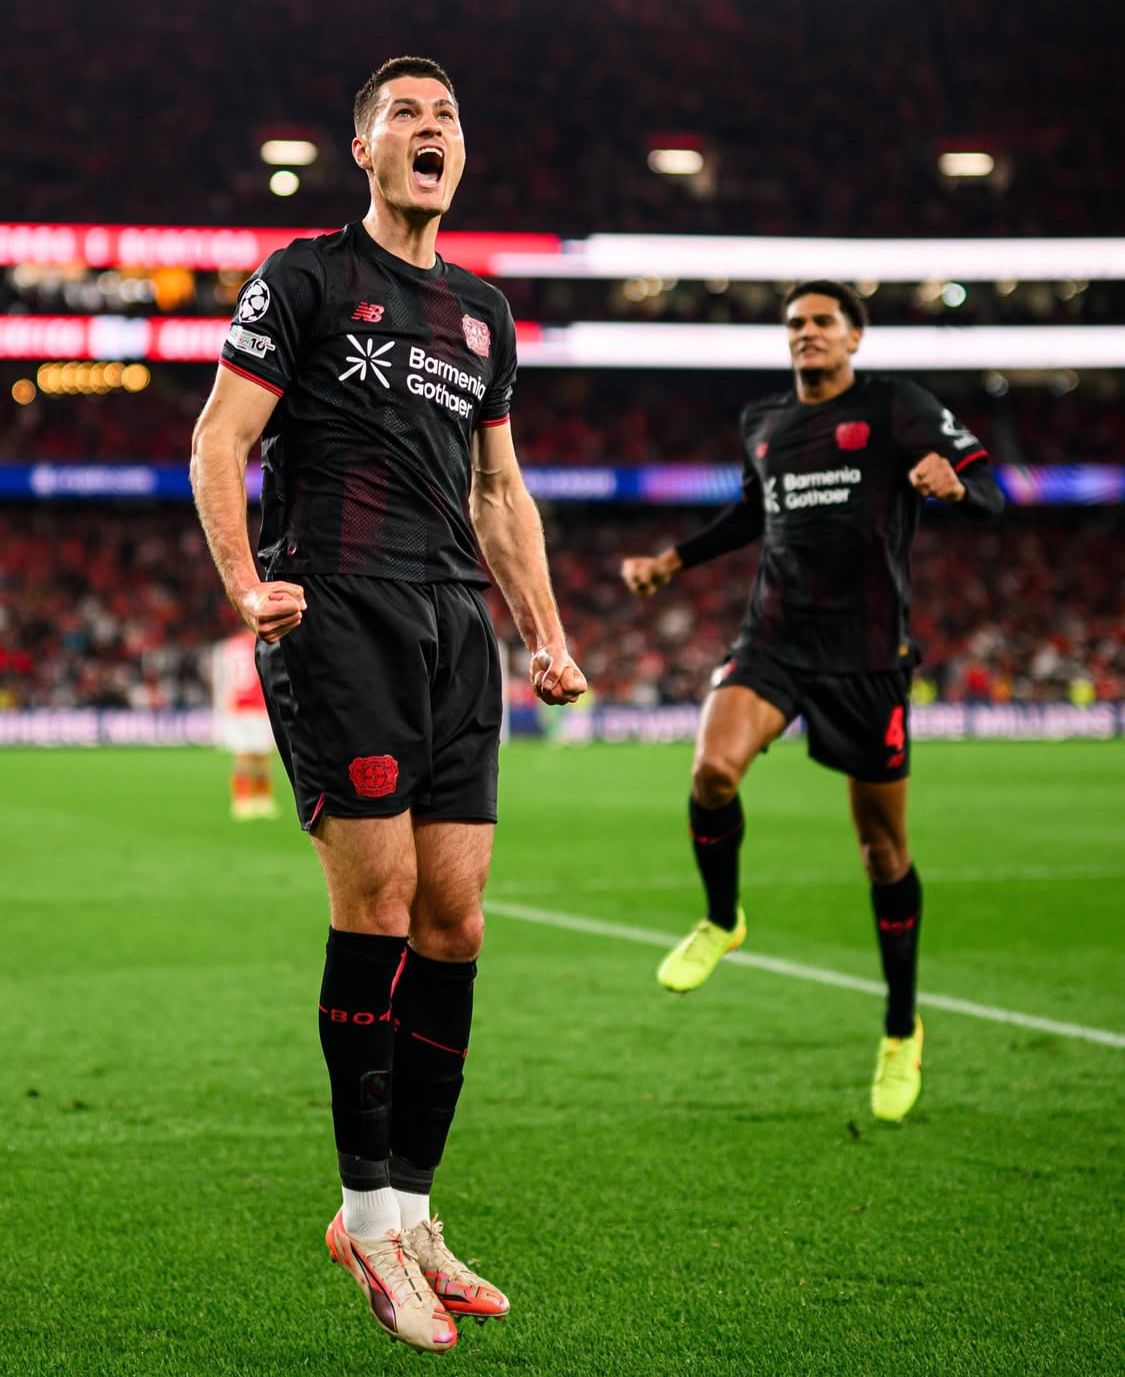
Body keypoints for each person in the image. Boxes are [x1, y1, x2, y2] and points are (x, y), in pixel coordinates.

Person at [190, 55, 586, 1354]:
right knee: (377, 905)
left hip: (454, 623)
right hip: (336, 606)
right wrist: (246, 582)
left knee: (458, 919)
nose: (430, 131)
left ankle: (412, 1207)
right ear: (361, 149)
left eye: (448, 117)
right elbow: (218, 440)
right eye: (404, 116)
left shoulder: (485, 314)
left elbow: (501, 490)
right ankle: (362, 1216)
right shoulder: (304, 279)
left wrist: (543, 628)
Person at [621, 280, 1003, 1124]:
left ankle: (900, 1028)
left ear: (854, 338)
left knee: (881, 854)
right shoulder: (763, 424)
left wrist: (954, 486)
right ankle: (722, 918)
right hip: (775, 641)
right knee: (713, 771)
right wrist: (672, 562)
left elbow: (991, 490)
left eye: (822, 323)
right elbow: (751, 515)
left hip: (867, 659)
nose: (806, 334)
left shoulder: (897, 407)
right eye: (794, 324)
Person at [211, 630, 280, 820]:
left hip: (238, 706)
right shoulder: (266, 641)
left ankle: (243, 800)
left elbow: (222, 678)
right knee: (262, 756)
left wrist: (222, 704)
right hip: (260, 706)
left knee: (243, 756)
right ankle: (261, 799)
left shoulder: (229, 646)